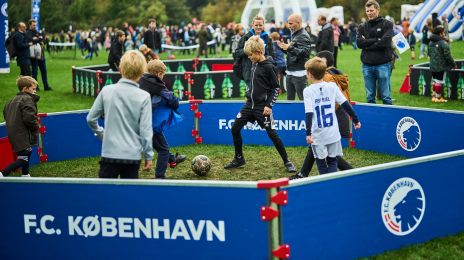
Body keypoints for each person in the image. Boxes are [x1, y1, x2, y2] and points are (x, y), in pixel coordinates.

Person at [224, 36, 296, 173]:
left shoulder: (269, 67)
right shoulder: (254, 63)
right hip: (249, 105)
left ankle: (287, 160)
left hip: (262, 108)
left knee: (272, 134)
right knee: (235, 128)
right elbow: (253, 84)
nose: (249, 58)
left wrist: (269, 106)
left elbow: (276, 89)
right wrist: (247, 96)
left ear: (258, 52)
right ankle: (239, 158)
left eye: (250, 55)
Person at [87, 50, 154, 179]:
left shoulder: (107, 91)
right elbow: (146, 130)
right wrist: (148, 155)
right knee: (129, 196)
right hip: (132, 155)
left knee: (105, 195)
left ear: (120, 69)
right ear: (142, 72)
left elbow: (91, 119)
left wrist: (102, 134)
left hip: (109, 153)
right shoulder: (144, 96)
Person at [290, 51, 354, 179]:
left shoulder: (317, 86)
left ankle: (340, 175)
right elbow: (344, 101)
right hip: (334, 121)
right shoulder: (333, 79)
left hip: (326, 122)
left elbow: (310, 112)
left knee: (323, 155)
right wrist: (355, 119)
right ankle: (308, 173)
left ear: (310, 74)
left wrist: (308, 132)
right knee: (329, 156)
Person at [139, 60, 186, 179]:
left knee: (160, 145)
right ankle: (160, 177)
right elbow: (172, 100)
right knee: (163, 149)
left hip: (136, 120)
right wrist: (175, 104)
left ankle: (172, 159)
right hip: (147, 123)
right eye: (163, 74)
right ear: (159, 73)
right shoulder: (156, 84)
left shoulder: (142, 79)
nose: (163, 77)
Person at [1, 76, 40, 177]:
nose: (35, 91)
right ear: (25, 89)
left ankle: (26, 175)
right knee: (23, 157)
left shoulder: (11, 101)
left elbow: (6, 115)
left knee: (25, 154)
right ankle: (2, 173)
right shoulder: (27, 100)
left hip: (13, 132)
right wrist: (36, 126)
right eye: (33, 88)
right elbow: (29, 118)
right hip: (22, 133)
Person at [356, 0, 394, 105]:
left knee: (386, 97)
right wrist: (376, 40)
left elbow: (385, 42)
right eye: (367, 11)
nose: (369, 13)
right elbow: (359, 43)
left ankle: (389, 118)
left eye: (371, 10)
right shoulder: (362, 26)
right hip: (367, 65)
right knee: (370, 98)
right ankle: (371, 119)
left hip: (383, 64)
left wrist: (367, 44)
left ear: (377, 10)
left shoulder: (387, 24)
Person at [233, 15, 275, 86]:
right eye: (256, 25)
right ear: (252, 25)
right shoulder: (245, 37)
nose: (258, 27)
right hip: (250, 71)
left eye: (260, 25)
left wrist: (268, 60)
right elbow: (236, 53)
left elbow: (272, 55)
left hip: (264, 70)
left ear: (263, 25)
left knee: (263, 94)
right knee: (251, 94)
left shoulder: (267, 38)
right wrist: (249, 51)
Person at [277, 13, 311, 101]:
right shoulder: (295, 33)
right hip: (290, 71)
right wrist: (283, 48)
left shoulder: (303, 35)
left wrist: (289, 47)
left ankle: (306, 115)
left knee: (303, 100)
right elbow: (293, 52)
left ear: (299, 23)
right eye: (288, 23)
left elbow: (305, 53)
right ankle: (290, 115)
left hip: (299, 72)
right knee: (289, 100)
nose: (288, 25)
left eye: (291, 23)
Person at [428, 25, 456, 103]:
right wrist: (453, 64)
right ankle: (439, 98)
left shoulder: (430, 42)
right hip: (441, 66)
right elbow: (448, 56)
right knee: (439, 81)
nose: (444, 33)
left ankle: (434, 97)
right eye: (443, 32)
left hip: (432, 65)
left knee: (435, 81)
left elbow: (429, 54)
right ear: (440, 33)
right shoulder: (443, 43)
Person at [25, 19, 52, 91]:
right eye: (33, 25)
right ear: (30, 25)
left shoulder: (37, 32)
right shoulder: (27, 33)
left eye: (35, 25)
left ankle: (46, 86)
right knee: (35, 72)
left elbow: (43, 40)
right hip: (34, 57)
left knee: (44, 71)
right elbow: (30, 40)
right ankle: (35, 87)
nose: (35, 26)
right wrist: (39, 39)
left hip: (41, 55)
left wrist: (39, 39)